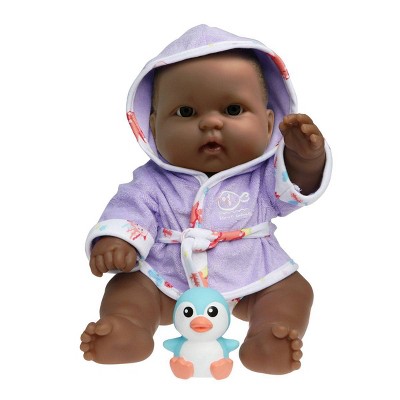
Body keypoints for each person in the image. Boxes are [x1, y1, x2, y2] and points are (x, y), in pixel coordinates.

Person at [80, 24, 332, 375]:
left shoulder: (262, 176)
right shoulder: (152, 181)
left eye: (233, 109)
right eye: (186, 112)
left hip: (251, 271)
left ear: (268, 123)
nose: (211, 122)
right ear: (153, 126)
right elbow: (129, 210)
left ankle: (267, 336)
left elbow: (294, 190)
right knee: (128, 288)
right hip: (166, 277)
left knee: (292, 290)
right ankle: (128, 328)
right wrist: (115, 241)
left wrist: (304, 159)